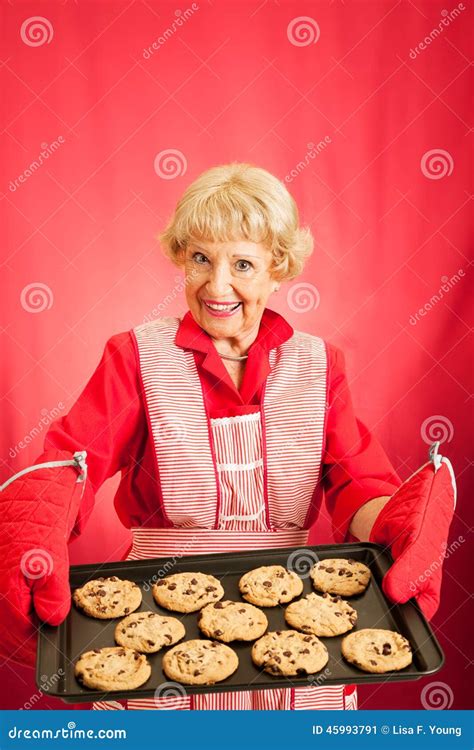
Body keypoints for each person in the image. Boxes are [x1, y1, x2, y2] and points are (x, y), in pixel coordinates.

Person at [0, 163, 454, 711]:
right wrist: (32, 526)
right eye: (199, 259)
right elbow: (73, 461)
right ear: (180, 258)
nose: (217, 286)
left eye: (242, 263)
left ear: (278, 268)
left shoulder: (318, 365)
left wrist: (403, 528)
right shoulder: (134, 355)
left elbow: (357, 486)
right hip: (160, 605)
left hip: (300, 615)